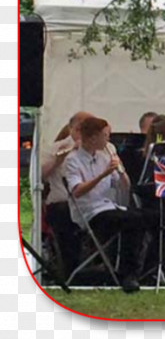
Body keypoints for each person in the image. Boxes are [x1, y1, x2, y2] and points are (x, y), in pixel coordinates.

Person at [64, 117, 156, 293]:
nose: (108, 139)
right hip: (89, 212)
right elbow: (77, 191)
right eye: (105, 135)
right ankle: (128, 272)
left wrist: (121, 173)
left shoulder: (104, 156)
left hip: (108, 206)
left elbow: (123, 186)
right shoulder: (73, 160)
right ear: (92, 138)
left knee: (144, 217)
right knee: (132, 221)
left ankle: (138, 269)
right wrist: (104, 173)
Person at [41, 111, 93, 277]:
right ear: (74, 129)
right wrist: (59, 159)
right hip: (62, 202)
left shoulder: (98, 148)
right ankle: (70, 271)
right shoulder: (56, 147)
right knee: (64, 215)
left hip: (91, 204)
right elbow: (40, 175)